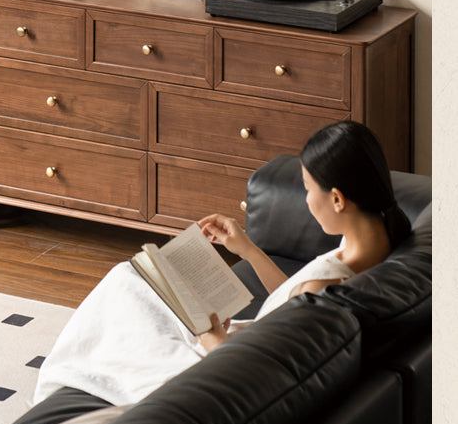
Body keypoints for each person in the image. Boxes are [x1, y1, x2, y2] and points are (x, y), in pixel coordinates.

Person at [33, 121, 411, 408]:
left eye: (309, 189)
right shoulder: (376, 242)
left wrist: (213, 338)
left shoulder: (326, 290)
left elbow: (258, 379)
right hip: (245, 338)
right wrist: (247, 249)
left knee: (126, 284)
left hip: (223, 360)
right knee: (133, 287)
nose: (307, 200)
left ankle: (47, 400)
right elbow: (297, 297)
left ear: (339, 199)